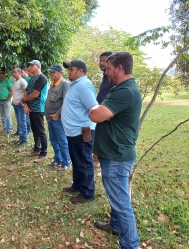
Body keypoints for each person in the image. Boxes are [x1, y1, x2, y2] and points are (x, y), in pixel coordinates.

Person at [89, 52, 141, 249]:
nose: (106, 71)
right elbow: (102, 113)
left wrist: (93, 111)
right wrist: (100, 112)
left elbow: (96, 115)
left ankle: (130, 245)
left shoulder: (125, 91)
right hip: (113, 152)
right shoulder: (120, 88)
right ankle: (116, 225)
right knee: (116, 197)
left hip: (117, 156)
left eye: (109, 68)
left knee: (121, 203)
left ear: (119, 68)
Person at [61, 60, 98, 204]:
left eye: (72, 69)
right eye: (68, 69)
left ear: (81, 71)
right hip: (73, 131)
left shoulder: (83, 86)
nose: (68, 72)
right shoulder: (76, 84)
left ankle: (87, 193)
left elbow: (94, 108)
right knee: (77, 161)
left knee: (83, 161)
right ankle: (77, 185)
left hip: (82, 131)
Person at [44, 64, 71, 172]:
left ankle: (66, 162)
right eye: (51, 73)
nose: (52, 74)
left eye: (54, 72)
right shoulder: (53, 84)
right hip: (50, 118)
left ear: (60, 72)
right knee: (54, 140)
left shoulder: (64, 84)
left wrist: (58, 114)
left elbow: (66, 102)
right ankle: (58, 159)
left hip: (57, 118)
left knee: (62, 141)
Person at [23, 60, 48, 163]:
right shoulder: (32, 78)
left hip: (38, 108)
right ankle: (37, 149)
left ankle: (44, 152)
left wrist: (24, 100)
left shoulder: (42, 78)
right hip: (31, 108)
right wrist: (25, 104)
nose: (30, 67)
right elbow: (26, 91)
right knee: (34, 130)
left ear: (38, 66)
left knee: (41, 131)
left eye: (32, 65)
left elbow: (34, 95)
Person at [94, 51, 114, 168]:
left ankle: (105, 163)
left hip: (108, 114)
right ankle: (98, 160)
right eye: (100, 60)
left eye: (104, 61)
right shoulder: (105, 77)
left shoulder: (113, 78)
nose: (101, 63)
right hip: (102, 114)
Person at [11, 67, 28, 146]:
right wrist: (13, 101)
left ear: (19, 72)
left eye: (14, 72)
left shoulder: (22, 81)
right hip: (15, 104)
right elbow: (16, 93)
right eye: (13, 72)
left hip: (21, 105)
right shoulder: (15, 82)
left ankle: (24, 139)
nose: (13, 73)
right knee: (19, 122)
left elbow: (26, 92)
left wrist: (22, 101)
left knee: (22, 122)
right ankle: (21, 137)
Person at [0, 69, 13, 135]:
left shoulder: (7, 82)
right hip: (0, 101)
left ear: (4, 74)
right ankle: (5, 129)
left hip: (6, 101)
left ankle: (9, 130)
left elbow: (12, 91)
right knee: (3, 116)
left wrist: (8, 99)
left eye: (1, 73)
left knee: (7, 115)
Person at [20, 65, 31, 135]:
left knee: (27, 118)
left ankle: (28, 130)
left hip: (27, 101)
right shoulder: (22, 80)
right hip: (23, 101)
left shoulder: (28, 80)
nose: (21, 74)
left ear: (26, 72)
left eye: (22, 72)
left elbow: (27, 92)